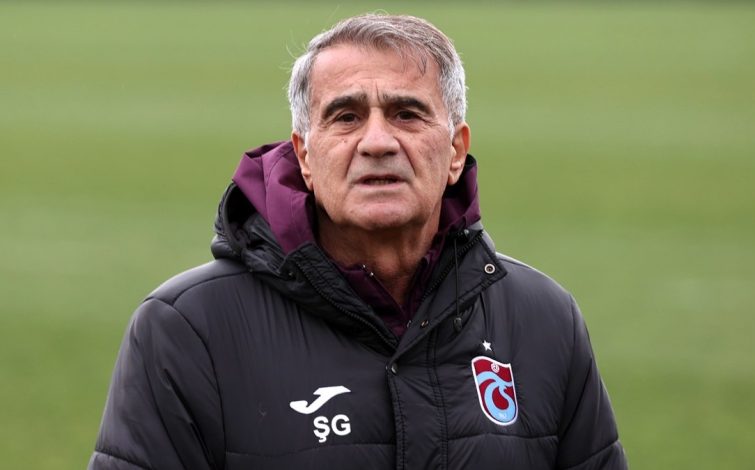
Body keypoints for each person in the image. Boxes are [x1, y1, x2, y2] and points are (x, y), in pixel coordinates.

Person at [89, 13, 627, 470]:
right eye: (346, 117)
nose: (377, 142)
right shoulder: (186, 330)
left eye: (406, 114)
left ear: (456, 150)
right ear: (304, 154)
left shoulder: (544, 320)